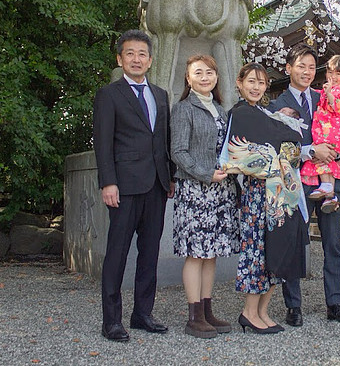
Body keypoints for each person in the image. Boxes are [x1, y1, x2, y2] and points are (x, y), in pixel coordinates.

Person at [93, 29, 175, 342]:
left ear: (150, 60)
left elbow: (164, 140)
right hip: (124, 187)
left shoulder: (160, 95)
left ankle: (142, 313)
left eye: (142, 54)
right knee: (117, 254)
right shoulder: (109, 95)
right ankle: (111, 321)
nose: (136, 59)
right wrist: (108, 182)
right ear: (120, 59)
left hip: (156, 185)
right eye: (130, 53)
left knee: (149, 253)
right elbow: (103, 142)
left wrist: (169, 177)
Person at [269, 44, 340, 326]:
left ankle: (335, 303)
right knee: (294, 242)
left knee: (333, 242)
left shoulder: (326, 96)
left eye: (310, 67)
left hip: (328, 177)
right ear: (288, 69)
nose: (306, 72)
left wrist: (337, 152)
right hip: (296, 182)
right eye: (301, 66)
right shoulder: (277, 105)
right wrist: (309, 151)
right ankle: (293, 305)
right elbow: (277, 148)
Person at [223, 62, 307, 335]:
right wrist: (278, 155)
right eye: (251, 81)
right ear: (239, 83)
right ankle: (249, 312)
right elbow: (240, 157)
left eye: (261, 82)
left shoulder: (267, 114)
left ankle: (262, 310)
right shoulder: (239, 114)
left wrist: (282, 152)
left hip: (278, 193)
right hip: (258, 193)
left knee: (275, 249)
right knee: (257, 251)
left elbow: (293, 147)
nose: (256, 87)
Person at [170, 54, 240, 339]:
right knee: (196, 253)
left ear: (216, 76)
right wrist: (205, 174)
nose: (204, 77)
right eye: (198, 73)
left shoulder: (222, 110)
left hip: (220, 191)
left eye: (209, 72)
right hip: (195, 190)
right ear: (188, 79)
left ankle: (207, 310)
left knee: (211, 253)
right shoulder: (183, 109)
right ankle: (194, 315)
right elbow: (178, 152)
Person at [302, 55, 340, 214]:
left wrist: (328, 94)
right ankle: (330, 194)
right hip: (329, 129)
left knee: (326, 154)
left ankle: (327, 186)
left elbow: (339, 108)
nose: (333, 76)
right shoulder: (332, 89)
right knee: (326, 159)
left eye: (338, 73)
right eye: (330, 72)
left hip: (337, 131)